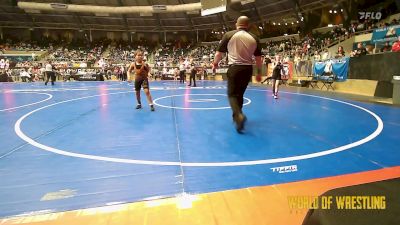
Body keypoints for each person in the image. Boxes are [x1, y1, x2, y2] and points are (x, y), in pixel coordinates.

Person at [212, 16, 262, 133]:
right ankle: (238, 119)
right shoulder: (254, 38)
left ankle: (239, 115)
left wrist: (215, 64)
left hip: (235, 68)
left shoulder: (229, 35)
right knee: (240, 94)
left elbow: (219, 53)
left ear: (236, 24)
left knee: (232, 94)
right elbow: (259, 59)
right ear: (248, 25)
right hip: (248, 69)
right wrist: (259, 73)